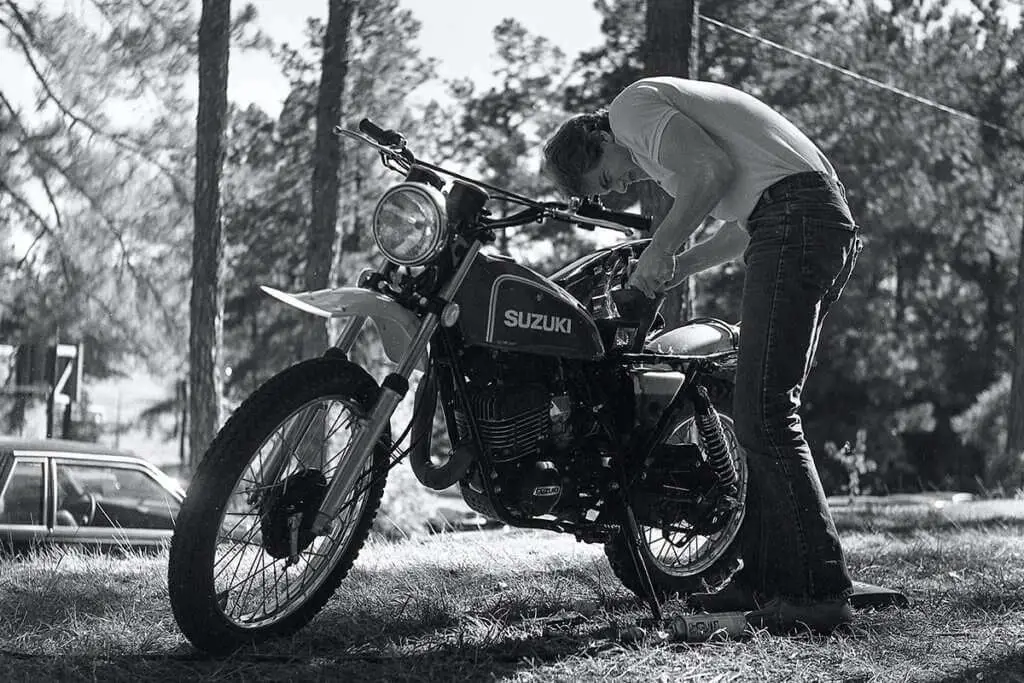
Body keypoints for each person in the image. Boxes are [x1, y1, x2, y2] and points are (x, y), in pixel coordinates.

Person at [542, 76, 863, 635]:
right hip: (803, 219)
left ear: (597, 138)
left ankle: (818, 592)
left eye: (604, 178)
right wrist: (673, 266)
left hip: (799, 220)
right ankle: (764, 578)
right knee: (756, 410)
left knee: (765, 412)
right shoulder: (667, 146)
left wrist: (662, 246)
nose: (616, 190)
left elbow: (710, 175)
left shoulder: (630, 110)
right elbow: (740, 229)